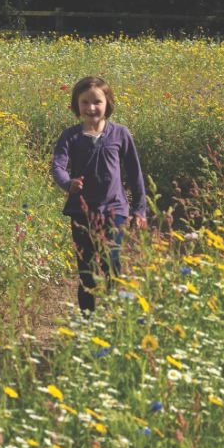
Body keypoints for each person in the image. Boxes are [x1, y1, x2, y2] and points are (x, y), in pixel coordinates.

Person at [51, 76, 147, 314]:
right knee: (86, 268)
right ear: (76, 105)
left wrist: (139, 209)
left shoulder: (120, 134)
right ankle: (87, 320)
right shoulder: (71, 136)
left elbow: (135, 173)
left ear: (108, 103)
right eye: (84, 102)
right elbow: (58, 166)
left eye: (97, 101)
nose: (91, 107)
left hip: (114, 209)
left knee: (111, 261)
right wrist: (67, 183)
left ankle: (116, 316)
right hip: (81, 210)